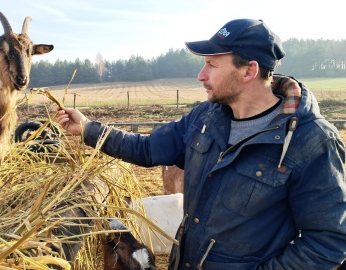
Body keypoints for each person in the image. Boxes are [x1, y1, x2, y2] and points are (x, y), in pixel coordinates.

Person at [56, 19, 346, 269]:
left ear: (248, 71)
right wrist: (89, 129)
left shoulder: (311, 141)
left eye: (211, 65)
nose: (201, 75)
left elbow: (329, 240)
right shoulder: (205, 118)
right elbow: (146, 149)